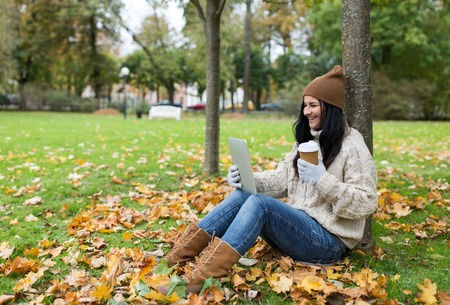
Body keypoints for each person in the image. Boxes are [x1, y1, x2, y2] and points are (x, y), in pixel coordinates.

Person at [160, 65, 378, 294]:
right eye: (305, 105)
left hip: (329, 242)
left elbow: (366, 202)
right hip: (300, 229)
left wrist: (322, 180)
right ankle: (175, 258)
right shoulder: (307, 141)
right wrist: (245, 178)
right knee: (245, 194)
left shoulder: (352, 146)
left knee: (260, 204)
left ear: (331, 108)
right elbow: (281, 179)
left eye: (313, 105)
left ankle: (199, 280)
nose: (306, 111)